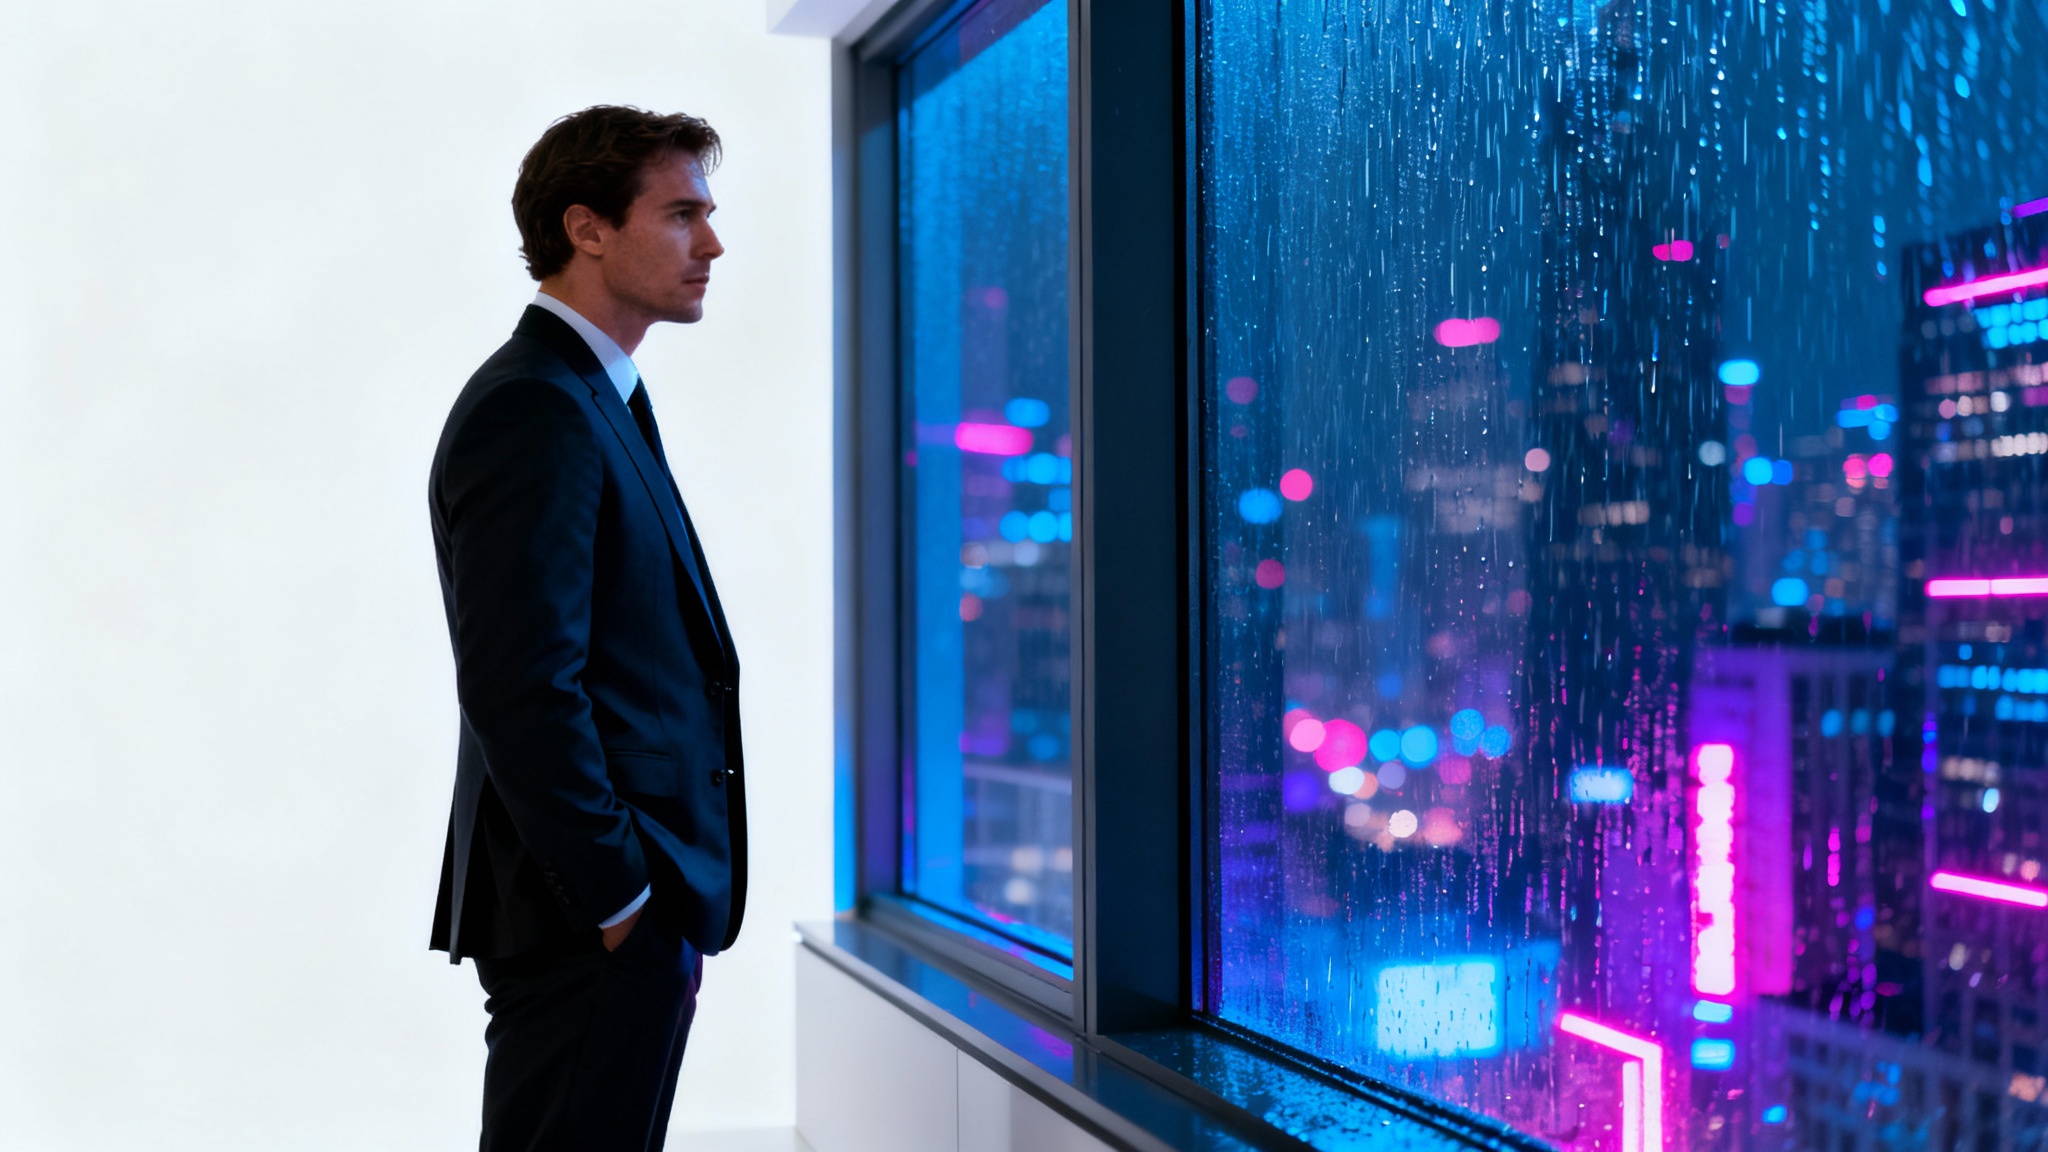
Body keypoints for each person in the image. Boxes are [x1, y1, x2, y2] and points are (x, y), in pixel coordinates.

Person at [425, 105, 746, 1152]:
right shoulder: (537, 407)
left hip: (622, 909)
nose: (711, 243)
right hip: (588, 912)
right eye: (682, 214)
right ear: (587, 228)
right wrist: (618, 897)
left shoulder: (591, 395)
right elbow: (521, 684)